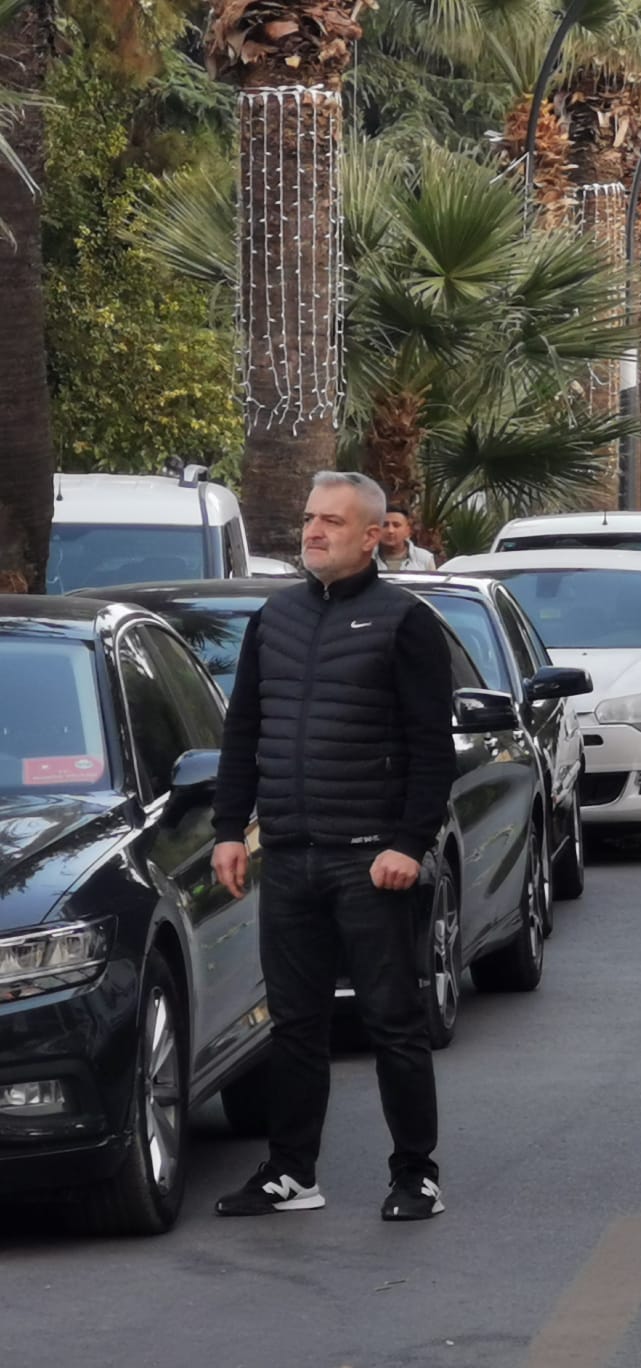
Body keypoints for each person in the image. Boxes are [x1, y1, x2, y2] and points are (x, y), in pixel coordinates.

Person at [212, 470, 457, 1220]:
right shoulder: (274, 618)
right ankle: (292, 1172)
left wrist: (409, 844)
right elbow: (244, 730)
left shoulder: (404, 621)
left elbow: (430, 748)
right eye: (310, 517)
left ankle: (416, 1173)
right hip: (289, 854)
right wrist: (229, 829)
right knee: (294, 1025)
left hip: (371, 861)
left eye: (331, 521)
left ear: (374, 534)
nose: (313, 530)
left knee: (392, 1020)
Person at [375, 505, 437, 572]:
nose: (390, 530)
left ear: (408, 530)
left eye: (396, 525)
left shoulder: (424, 558)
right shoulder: (365, 559)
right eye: (385, 525)